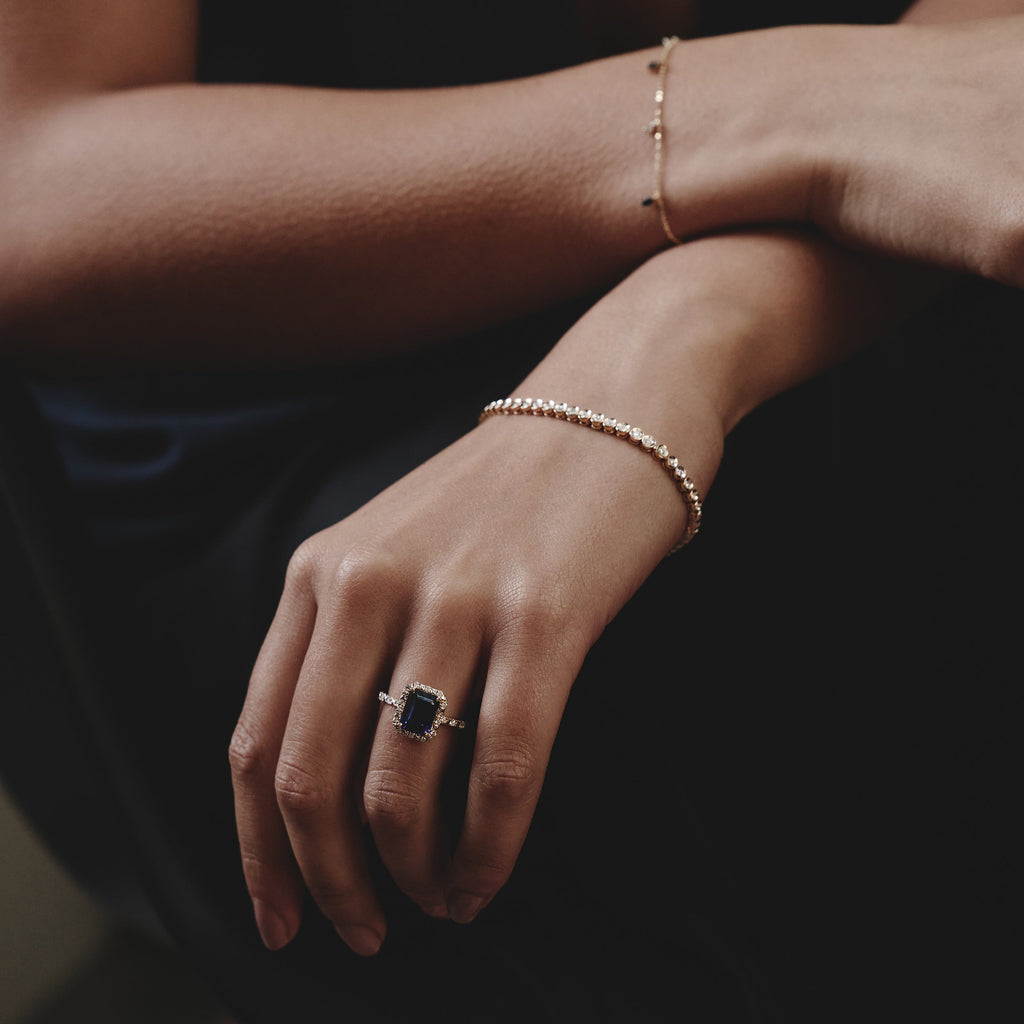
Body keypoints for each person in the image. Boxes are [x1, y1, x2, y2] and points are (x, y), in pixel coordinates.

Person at [1, 1, 1020, 1020]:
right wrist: (798, 102)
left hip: (835, 208)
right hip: (310, 353)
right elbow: (33, 176)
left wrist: (683, 331)